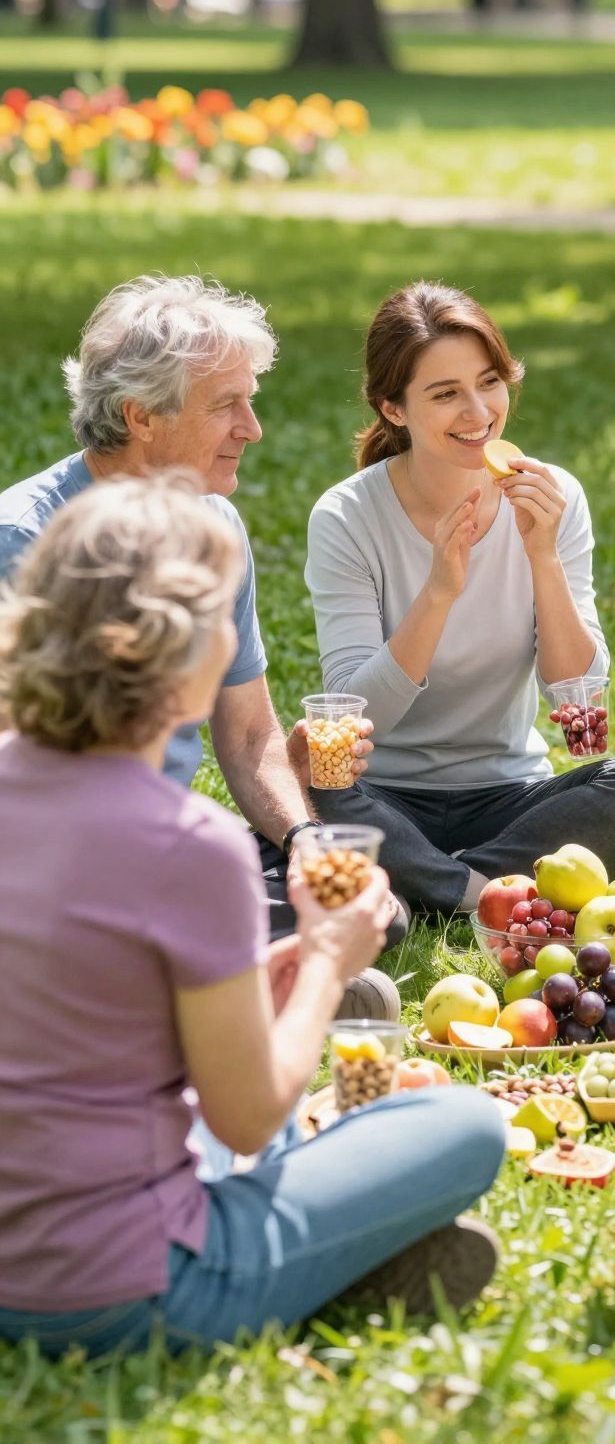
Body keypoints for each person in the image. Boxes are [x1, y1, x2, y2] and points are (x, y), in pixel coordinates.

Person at [0, 475, 506, 1357]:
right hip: (122, 1289)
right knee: (466, 1127)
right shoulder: (187, 845)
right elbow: (244, 1115)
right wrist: (319, 958)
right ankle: (329, 1275)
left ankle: (334, 1253)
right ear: (185, 649)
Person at [0, 275, 403, 1015]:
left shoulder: (214, 525)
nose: (252, 427)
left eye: (250, 400)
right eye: (226, 405)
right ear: (140, 416)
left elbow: (249, 732)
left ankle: (198, 957)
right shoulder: (27, 544)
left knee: (362, 902)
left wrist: (305, 837)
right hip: (53, 870)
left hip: (160, 853)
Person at [304, 282, 615, 917]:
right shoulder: (347, 516)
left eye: (489, 382)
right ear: (392, 408)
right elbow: (356, 716)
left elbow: (579, 701)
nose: (479, 411)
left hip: (512, 797)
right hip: (386, 799)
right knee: (311, 787)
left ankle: (435, 885)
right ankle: (487, 895)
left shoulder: (553, 496)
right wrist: (438, 594)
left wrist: (542, 557)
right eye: (446, 394)